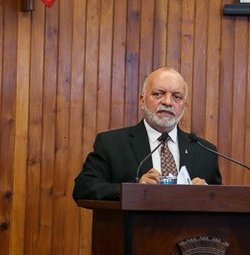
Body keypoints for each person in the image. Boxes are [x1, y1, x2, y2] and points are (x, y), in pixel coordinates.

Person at [73, 67, 222, 201]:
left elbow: (222, 202)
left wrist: (208, 193)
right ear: (142, 101)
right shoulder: (112, 144)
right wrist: (133, 190)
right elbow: (83, 188)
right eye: (158, 94)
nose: (168, 102)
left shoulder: (205, 152)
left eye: (177, 97)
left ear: (184, 106)